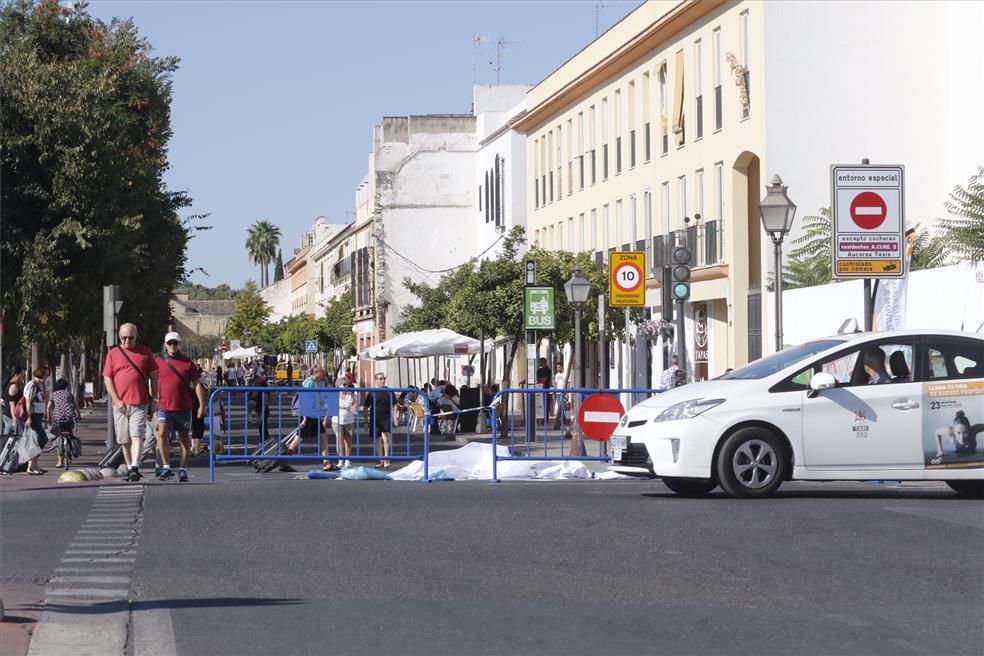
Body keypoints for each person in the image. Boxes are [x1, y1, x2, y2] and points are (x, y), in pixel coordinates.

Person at [103, 322, 159, 482]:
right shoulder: (113, 354)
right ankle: (130, 468)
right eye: (124, 338)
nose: (127, 341)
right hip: (119, 405)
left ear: (136, 336)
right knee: (124, 440)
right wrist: (116, 399)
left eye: (131, 338)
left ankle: (135, 466)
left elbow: (154, 377)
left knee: (137, 435)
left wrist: (155, 399)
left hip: (139, 402)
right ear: (119, 337)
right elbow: (107, 379)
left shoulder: (145, 353)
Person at [155, 332, 206, 482]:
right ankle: (166, 467)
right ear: (165, 345)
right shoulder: (158, 361)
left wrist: (202, 405)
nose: (172, 346)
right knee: (162, 433)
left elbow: (197, 384)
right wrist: (151, 402)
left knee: (183, 437)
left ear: (179, 345)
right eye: (170, 343)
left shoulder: (187, 362)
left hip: (183, 406)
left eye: (175, 343)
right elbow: (152, 381)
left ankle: (183, 469)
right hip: (164, 405)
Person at [281, 364, 329, 472]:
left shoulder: (315, 382)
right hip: (308, 416)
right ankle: (283, 462)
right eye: (322, 371)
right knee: (298, 439)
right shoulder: (309, 383)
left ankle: (327, 463)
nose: (323, 374)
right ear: (315, 372)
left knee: (324, 436)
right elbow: (304, 400)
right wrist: (304, 418)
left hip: (313, 415)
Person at [47, 378, 81, 468]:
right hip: (70, 416)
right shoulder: (68, 393)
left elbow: (49, 407)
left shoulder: (54, 394)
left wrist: (49, 417)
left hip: (58, 417)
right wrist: (79, 415)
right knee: (70, 432)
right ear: (66, 386)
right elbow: (75, 405)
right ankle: (71, 447)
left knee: (58, 436)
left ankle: (60, 461)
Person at [21, 367, 50, 474]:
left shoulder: (39, 385)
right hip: (33, 415)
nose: (47, 377)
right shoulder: (32, 386)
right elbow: (28, 402)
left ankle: (34, 465)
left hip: (37, 415)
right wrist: (28, 417)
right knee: (39, 439)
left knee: (38, 440)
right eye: (46, 374)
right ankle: (31, 466)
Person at [363, 371, 394, 468]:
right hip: (375, 419)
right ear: (376, 380)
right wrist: (365, 421)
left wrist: (396, 418)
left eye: (384, 378)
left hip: (386, 418)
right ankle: (381, 460)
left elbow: (395, 403)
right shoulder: (372, 392)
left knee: (386, 438)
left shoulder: (388, 391)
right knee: (377, 439)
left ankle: (387, 459)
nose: (383, 380)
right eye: (381, 379)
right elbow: (365, 407)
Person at [332, 375, 355, 469]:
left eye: (347, 384)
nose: (345, 386)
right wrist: (325, 419)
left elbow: (354, 405)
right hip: (337, 420)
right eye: (343, 384)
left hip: (349, 420)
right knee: (339, 440)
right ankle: (340, 460)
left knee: (348, 441)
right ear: (339, 385)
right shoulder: (334, 394)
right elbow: (330, 406)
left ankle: (348, 460)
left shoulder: (351, 394)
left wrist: (354, 408)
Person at [2, 366, 25, 437]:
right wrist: (14, 420)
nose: (23, 376)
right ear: (16, 375)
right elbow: (12, 404)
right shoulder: (13, 387)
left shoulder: (11, 385)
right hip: (11, 416)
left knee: (9, 437)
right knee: (8, 439)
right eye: (22, 374)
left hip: (9, 415)